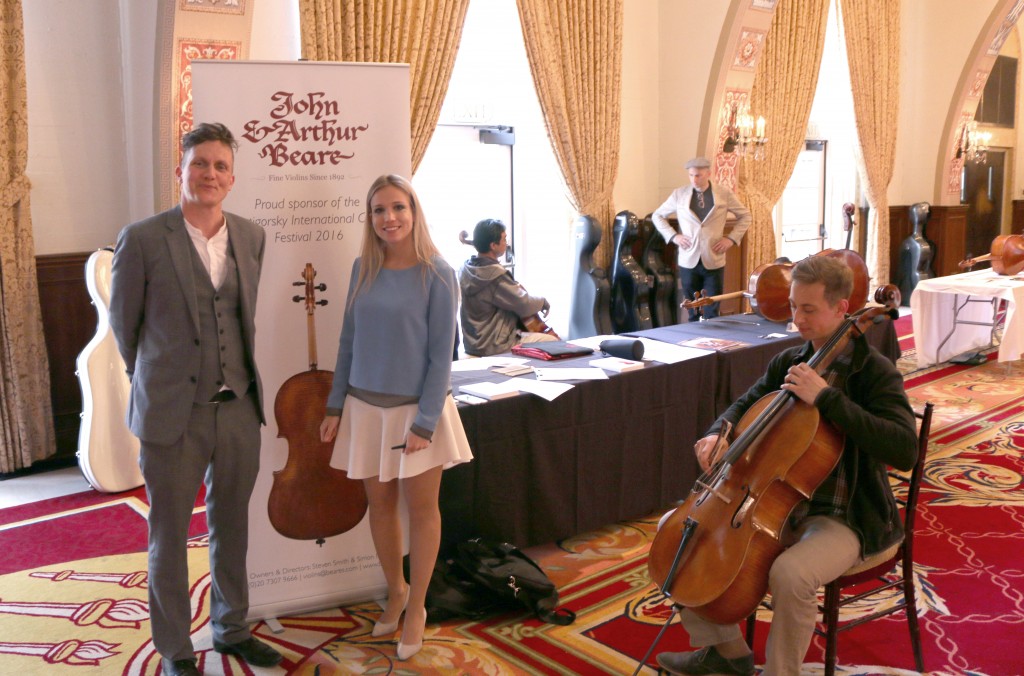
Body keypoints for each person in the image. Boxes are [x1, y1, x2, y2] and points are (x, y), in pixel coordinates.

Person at [655, 255, 918, 676]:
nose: (797, 318)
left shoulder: (873, 373)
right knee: (679, 533)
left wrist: (829, 399)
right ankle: (727, 654)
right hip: (773, 507)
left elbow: (905, 450)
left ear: (842, 308)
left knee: (791, 574)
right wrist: (716, 431)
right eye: (794, 306)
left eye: (808, 309)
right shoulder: (790, 361)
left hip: (844, 515)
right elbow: (745, 403)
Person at [109, 123, 282, 676]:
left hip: (238, 409)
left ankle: (231, 629)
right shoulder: (141, 238)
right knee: (168, 535)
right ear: (180, 170)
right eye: (200, 164)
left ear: (233, 178)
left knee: (233, 525)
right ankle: (177, 650)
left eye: (221, 166)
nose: (210, 174)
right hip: (171, 414)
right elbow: (124, 328)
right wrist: (158, 381)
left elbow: (242, 318)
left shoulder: (252, 237)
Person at [320, 174, 473, 662]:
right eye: (379, 210)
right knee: (380, 506)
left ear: (414, 211)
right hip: (365, 409)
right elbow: (348, 342)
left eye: (398, 208)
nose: (389, 218)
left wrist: (425, 422)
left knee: (422, 509)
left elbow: (440, 357)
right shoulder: (362, 267)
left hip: (417, 412)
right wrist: (335, 405)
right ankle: (396, 589)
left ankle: (418, 609)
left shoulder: (438, 273)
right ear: (370, 218)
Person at [651, 157, 751, 321]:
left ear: (708, 174)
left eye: (698, 175)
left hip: (713, 258)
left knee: (712, 307)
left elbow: (745, 216)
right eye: (691, 175)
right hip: (688, 258)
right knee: (692, 309)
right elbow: (658, 216)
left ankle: (712, 341)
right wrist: (673, 236)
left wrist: (731, 239)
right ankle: (693, 342)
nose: (694, 180)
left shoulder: (723, 194)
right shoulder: (679, 194)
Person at [459, 218, 556, 356]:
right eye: (504, 239)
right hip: (495, 345)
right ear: (493, 245)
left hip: (473, 344)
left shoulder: (466, 269)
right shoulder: (495, 276)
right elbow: (524, 304)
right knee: (553, 342)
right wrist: (542, 302)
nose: (506, 243)